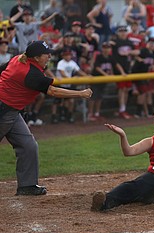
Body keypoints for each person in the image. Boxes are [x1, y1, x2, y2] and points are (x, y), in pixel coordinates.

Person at [0, 41, 92, 196]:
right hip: (3, 110)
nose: (49, 56)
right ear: (35, 57)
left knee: (28, 145)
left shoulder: (18, 59)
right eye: (46, 54)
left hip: (12, 111)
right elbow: (53, 92)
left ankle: (27, 186)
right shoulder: (31, 74)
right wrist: (80, 94)